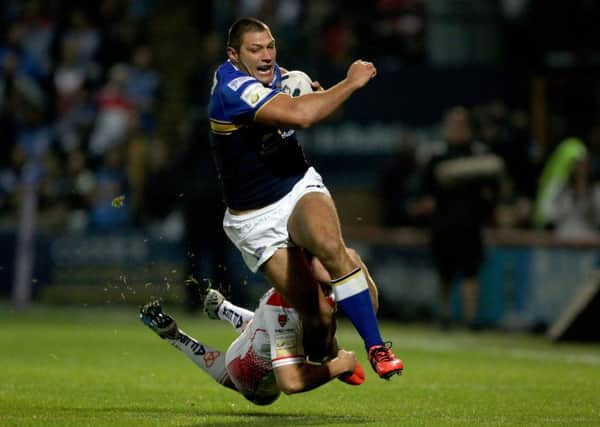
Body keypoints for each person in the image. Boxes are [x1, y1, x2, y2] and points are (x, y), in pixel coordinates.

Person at [207, 17, 402, 378]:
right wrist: (350, 82)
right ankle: (329, 352)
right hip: (254, 220)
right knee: (317, 316)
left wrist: (315, 92)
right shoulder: (232, 88)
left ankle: (377, 348)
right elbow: (302, 115)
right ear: (233, 55)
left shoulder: (278, 75)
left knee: (331, 246)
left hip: (295, 186)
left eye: (270, 46)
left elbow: (322, 109)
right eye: (255, 49)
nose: (266, 56)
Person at [139, 288, 365, 405]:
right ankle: (178, 336)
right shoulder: (298, 309)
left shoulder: (291, 276)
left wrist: (332, 352)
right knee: (264, 393)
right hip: (247, 368)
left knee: (265, 329)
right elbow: (291, 381)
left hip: (260, 329)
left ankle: (222, 310)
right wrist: (338, 365)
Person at [412, 106, 503, 329]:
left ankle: (470, 320)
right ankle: (444, 315)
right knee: (445, 273)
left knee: (470, 272)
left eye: (461, 124)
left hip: (471, 224)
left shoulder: (480, 154)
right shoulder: (437, 155)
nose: (456, 128)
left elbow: (494, 189)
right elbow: (424, 192)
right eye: (453, 124)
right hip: (443, 224)